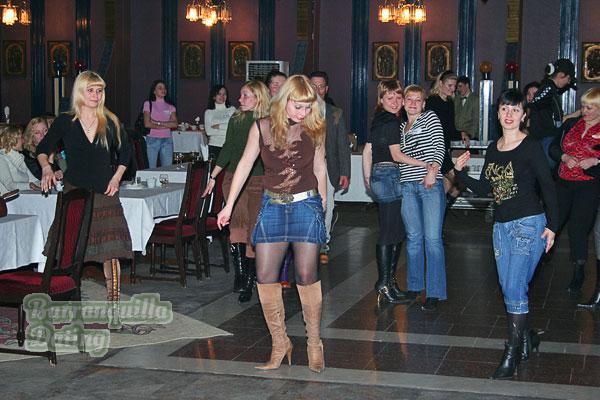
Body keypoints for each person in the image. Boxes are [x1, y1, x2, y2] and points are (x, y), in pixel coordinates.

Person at [217, 75, 327, 373]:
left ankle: (314, 343)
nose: (303, 112)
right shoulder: (261, 126)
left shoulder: (315, 126)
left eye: (308, 107)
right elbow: (244, 164)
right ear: (284, 100)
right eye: (298, 106)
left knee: (306, 275)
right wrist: (229, 205)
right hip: (272, 206)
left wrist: (323, 204)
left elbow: (320, 167)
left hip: (306, 204)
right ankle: (280, 343)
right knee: (265, 276)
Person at [454, 89, 558, 380]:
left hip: (529, 223)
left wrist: (552, 226)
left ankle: (510, 354)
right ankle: (527, 337)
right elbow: (486, 189)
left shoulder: (531, 147)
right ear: (497, 113)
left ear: (524, 115)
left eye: (515, 110)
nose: (509, 114)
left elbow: (548, 187)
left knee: (513, 287)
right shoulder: (493, 148)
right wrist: (459, 172)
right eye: (504, 109)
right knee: (510, 287)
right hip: (501, 227)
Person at [37, 70, 132, 302]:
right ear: (80, 91)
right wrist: (46, 167)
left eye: (99, 91)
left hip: (105, 191)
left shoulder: (110, 120)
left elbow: (126, 152)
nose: (96, 95)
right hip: (76, 191)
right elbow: (42, 148)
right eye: (91, 90)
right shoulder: (65, 121)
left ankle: (114, 303)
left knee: (111, 251)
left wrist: (117, 177)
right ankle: (62, 296)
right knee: (68, 248)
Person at [203, 80, 270, 302]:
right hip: (233, 179)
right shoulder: (236, 118)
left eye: (245, 95)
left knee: (253, 228)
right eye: (241, 95)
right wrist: (213, 176)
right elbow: (228, 148)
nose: (240, 99)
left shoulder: (267, 122)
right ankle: (240, 275)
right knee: (237, 225)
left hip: (259, 180)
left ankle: (250, 278)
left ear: (258, 98)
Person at [362, 81, 429, 305]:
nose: (395, 102)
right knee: (390, 232)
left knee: (395, 230)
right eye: (390, 98)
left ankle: (389, 282)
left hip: (382, 175)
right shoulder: (391, 121)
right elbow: (396, 155)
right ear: (381, 99)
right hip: (389, 175)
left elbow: (368, 150)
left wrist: (368, 177)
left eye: (399, 97)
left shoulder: (379, 119)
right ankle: (383, 282)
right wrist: (424, 164)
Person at [399, 85, 447, 311]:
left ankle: (435, 292)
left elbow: (440, 146)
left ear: (424, 103)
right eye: (409, 99)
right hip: (407, 187)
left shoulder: (430, 118)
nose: (413, 103)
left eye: (418, 100)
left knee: (433, 239)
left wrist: (433, 171)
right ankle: (415, 286)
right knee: (413, 238)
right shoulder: (401, 127)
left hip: (429, 185)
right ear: (403, 102)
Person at [548, 88, 600, 296]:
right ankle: (538, 260)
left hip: (588, 185)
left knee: (578, 228)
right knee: (553, 222)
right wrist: (564, 157)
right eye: (583, 106)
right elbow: (553, 147)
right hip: (563, 181)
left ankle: (579, 271)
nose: (584, 111)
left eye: (590, 108)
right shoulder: (571, 124)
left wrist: (595, 160)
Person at [309, 70, 351, 264]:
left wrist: (345, 172)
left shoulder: (335, 113)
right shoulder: (299, 110)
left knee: (327, 206)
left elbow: (343, 144)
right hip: (304, 166)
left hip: (328, 165)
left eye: (321, 86)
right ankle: (305, 244)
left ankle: (323, 243)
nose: (317, 90)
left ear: (326, 89)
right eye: (313, 86)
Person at [528, 58, 576, 168]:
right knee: (546, 170)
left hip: (545, 137)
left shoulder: (549, 88)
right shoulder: (548, 88)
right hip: (545, 137)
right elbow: (534, 105)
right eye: (568, 79)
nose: (568, 82)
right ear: (561, 75)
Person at [426, 70, 461, 200]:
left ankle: (440, 208)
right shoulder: (432, 101)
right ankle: (439, 208)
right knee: (458, 181)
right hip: (434, 149)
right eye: (449, 85)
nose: (453, 89)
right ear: (440, 83)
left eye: (454, 86)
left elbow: (450, 129)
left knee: (449, 185)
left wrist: (462, 134)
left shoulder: (450, 102)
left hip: (444, 148)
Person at [143, 79, 178, 168]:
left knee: (167, 168)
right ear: (154, 91)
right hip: (152, 139)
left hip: (167, 140)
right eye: (160, 88)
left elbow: (175, 124)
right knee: (150, 168)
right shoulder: (148, 104)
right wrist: (166, 125)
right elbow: (147, 124)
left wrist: (157, 123)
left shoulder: (171, 106)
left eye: (164, 88)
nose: (163, 90)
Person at [0, 125, 41, 191]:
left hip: (23, 195)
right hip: (8, 197)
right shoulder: (2, 158)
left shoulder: (20, 157)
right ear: (12, 139)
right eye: (21, 138)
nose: (23, 141)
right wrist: (29, 186)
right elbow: (9, 185)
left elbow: (33, 180)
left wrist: (45, 183)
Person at [204, 84, 236, 160]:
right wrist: (228, 128)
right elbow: (208, 132)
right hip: (214, 146)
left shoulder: (232, 109)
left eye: (224, 94)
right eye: (219, 94)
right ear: (214, 96)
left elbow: (234, 127)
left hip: (229, 145)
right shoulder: (209, 112)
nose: (222, 96)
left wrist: (219, 126)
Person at [454, 76, 479, 144]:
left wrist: (469, 135)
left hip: (470, 138)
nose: (458, 89)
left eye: (460, 86)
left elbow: (476, 121)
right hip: (457, 136)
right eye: (457, 87)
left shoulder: (475, 99)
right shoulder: (456, 99)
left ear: (467, 85)